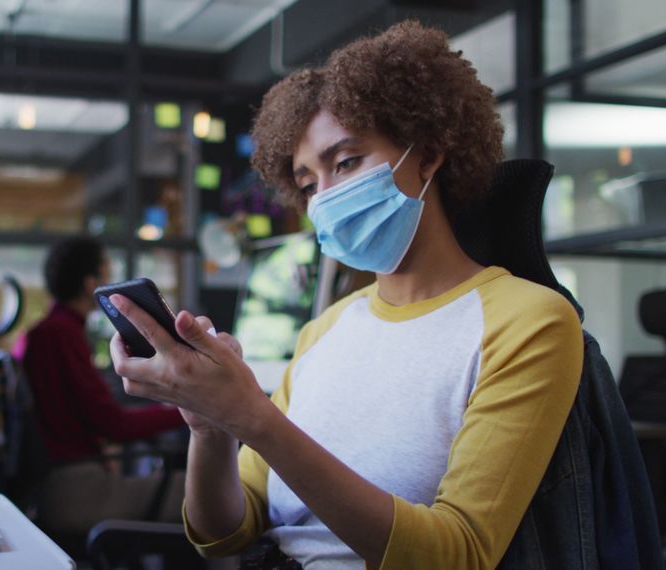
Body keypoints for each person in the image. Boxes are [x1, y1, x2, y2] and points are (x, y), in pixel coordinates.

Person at [107, 21, 584, 569]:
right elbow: (225, 534)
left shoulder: (530, 320)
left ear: (427, 153)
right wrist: (212, 429)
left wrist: (257, 420)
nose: (325, 198)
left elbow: (459, 554)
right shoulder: (325, 331)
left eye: (347, 162)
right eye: (307, 183)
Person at [18, 236, 187, 534]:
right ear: (89, 283)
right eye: (107, 272)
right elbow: (112, 425)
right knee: (206, 489)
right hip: (76, 491)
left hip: (55, 483)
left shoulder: (42, 333)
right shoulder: (61, 335)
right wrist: (185, 410)